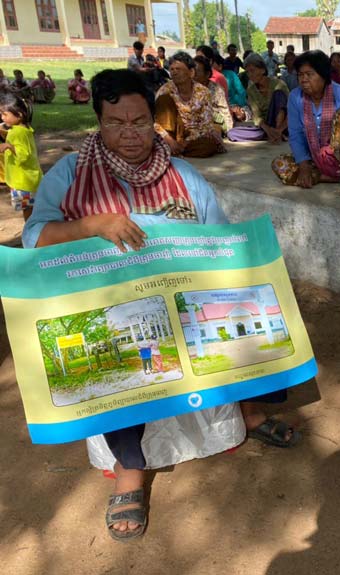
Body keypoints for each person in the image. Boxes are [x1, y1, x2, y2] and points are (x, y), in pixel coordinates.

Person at [22, 69, 299, 541]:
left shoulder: (182, 173)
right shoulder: (71, 173)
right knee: (118, 358)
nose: (129, 134)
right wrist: (92, 225)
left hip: (181, 299)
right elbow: (34, 237)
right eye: (115, 123)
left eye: (139, 122)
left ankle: (249, 411)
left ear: (155, 120)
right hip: (114, 306)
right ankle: (129, 470)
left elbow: (218, 236)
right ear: (99, 121)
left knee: (249, 311)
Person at [272, 50, 340, 196]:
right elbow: (296, 135)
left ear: (323, 75)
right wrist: (304, 165)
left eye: (309, 74)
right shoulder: (295, 97)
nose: (304, 80)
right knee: (279, 165)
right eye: (300, 75)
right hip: (315, 158)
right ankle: (326, 176)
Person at [155, 51, 225, 158]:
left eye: (178, 69)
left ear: (191, 72)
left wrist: (186, 142)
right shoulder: (164, 91)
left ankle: (176, 150)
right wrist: (170, 141)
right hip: (170, 136)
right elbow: (156, 124)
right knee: (164, 100)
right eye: (172, 69)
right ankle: (171, 147)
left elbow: (206, 125)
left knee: (209, 143)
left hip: (193, 137)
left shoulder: (203, 92)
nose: (174, 72)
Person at [0, 95, 41, 221]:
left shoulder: (17, 132)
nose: (2, 118)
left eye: (5, 114)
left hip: (23, 182)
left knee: (28, 210)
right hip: (28, 179)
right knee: (30, 208)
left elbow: (24, 155)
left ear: (19, 115)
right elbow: (21, 143)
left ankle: (31, 230)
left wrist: (8, 146)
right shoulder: (23, 129)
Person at [245, 54, 290, 143]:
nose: (250, 75)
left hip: (285, 125)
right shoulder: (251, 90)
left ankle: (278, 133)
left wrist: (279, 130)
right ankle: (272, 134)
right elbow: (257, 116)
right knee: (232, 133)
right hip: (266, 126)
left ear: (263, 70)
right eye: (247, 72)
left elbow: (292, 111)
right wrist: (268, 130)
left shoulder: (279, 84)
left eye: (252, 71)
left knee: (278, 94)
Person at [194, 56, 233, 134]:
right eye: (192, 70)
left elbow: (225, 111)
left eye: (197, 71)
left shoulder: (216, 89)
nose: (194, 74)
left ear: (207, 74)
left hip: (214, 120)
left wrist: (229, 131)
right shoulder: (188, 87)